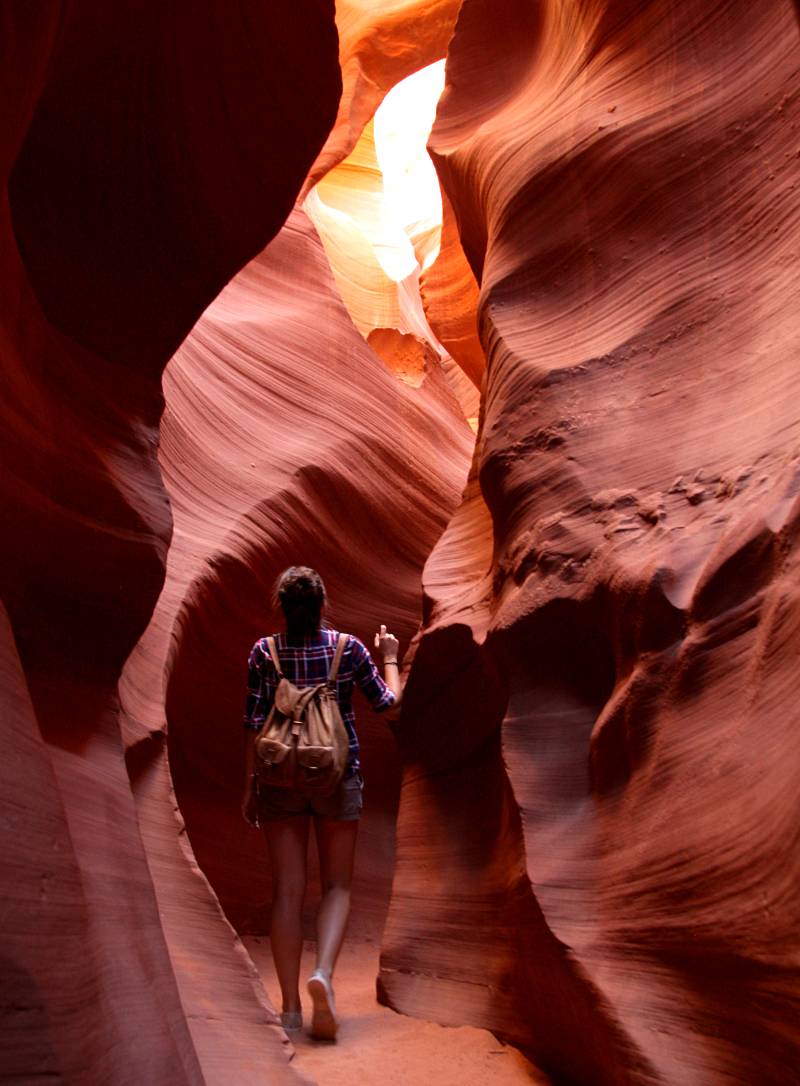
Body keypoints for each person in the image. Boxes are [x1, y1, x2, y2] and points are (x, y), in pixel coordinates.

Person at [240, 565, 402, 1041]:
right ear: (322, 605)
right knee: (337, 886)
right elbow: (392, 705)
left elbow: (251, 724)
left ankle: (289, 1008)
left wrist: (249, 788)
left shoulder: (263, 653)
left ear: (282, 607)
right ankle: (324, 976)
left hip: (278, 781)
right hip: (335, 777)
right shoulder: (347, 649)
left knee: (287, 891)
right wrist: (390, 656)